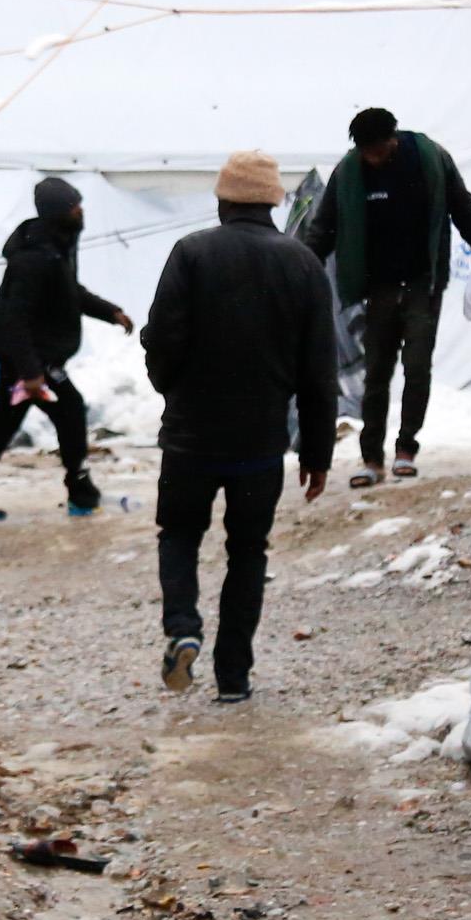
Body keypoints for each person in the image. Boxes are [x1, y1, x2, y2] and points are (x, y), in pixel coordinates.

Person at [142, 149, 337, 705]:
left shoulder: (191, 253)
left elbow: (160, 339)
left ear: (222, 200)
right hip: (259, 444)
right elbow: (318, 372)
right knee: (247, 552)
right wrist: (316, 454)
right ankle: (234, 677)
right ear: (275, 201)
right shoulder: (302, 265)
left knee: (179, 535)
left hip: (190, 438)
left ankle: (182, 627)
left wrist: (172, 391)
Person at [299, 105, 471, 486]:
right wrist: (304, 268)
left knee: (417, 366)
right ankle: (371, 457)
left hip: (424, 282)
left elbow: (462, 206)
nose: (371, 158)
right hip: (378, 288)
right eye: (364, 151)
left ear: (392, 139)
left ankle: (406, 449)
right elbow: (323, 227)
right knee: (376, 373)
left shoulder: (429, 159)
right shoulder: (350, 172)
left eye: (376, 149)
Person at [0, 174, 133, 523]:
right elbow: (13, 319)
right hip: (33, 357)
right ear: (58, 213)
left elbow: (69, 291)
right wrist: (31, 372)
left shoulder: (55, 247)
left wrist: (109, 312)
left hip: (33, 356)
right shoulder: (34, 258)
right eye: (74, 206)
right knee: (71, 411)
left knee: (5, 424)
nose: (81, 211)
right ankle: (80, 493)